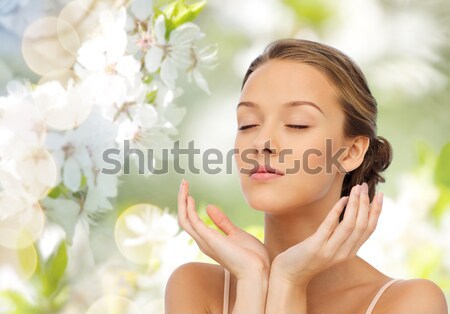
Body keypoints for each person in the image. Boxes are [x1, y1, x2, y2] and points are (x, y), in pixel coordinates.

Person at [165, 39, 448, 314]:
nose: (262, 141)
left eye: (297, 124)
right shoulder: (196, 287)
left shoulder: (409, 303)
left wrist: (290, 281)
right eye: (248, 123)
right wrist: (253, 281)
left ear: (351, 152)